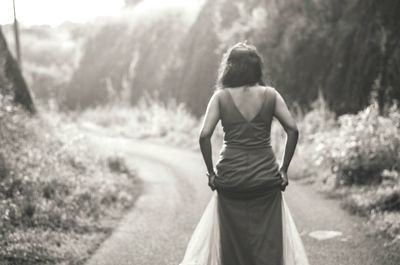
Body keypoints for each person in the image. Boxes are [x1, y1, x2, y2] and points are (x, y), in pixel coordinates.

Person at [179, 42, 310, 265]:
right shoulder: (271, 95)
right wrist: (284, 169)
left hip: (231, 180)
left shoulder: (220, 97)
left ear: (229, 68)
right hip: (265, 179)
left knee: (232, 241)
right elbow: (293, 129)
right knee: (268, 241)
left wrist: (211, 173)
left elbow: (204, 136)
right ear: (256, 67)